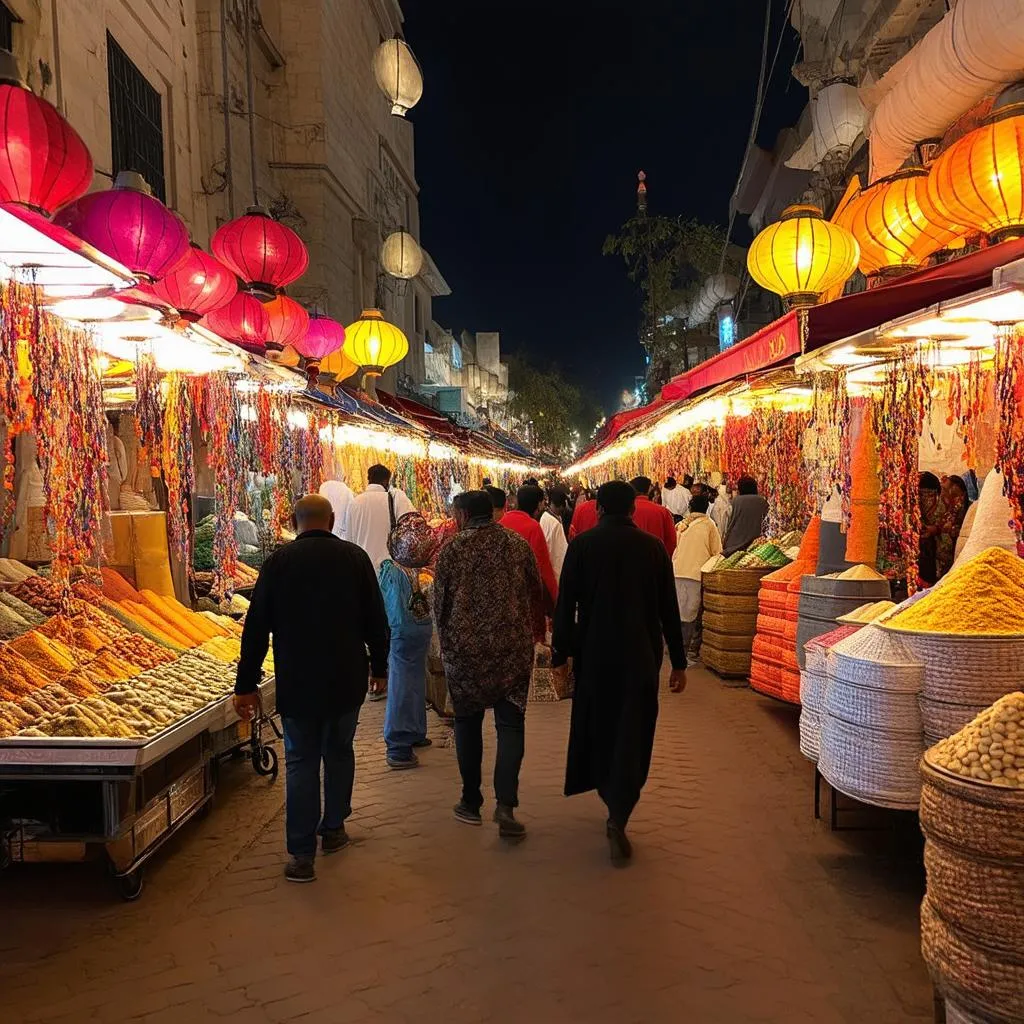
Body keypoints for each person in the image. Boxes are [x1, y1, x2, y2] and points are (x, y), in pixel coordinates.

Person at [234, 494, 389, 883]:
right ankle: (334, 829)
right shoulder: (355, 559)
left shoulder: (278, 564)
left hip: (298, 682)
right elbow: (377, 619)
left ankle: (302, 855)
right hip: (346, 679)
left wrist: (246, 684)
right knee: (338, 752)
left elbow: (256, 630)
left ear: (293, 520)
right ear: (333, 519)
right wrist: (381, 666)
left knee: (301, 762)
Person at [551, 480, 687, 865]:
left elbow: (566, 607)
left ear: (597, 511)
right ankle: (619, 809)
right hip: (641, 657)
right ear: (632, 510)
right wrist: (678, 661)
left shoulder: (582, 547)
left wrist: (560, 653)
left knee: (601, 727)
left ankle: (610, 795)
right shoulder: (653, 549)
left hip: (595, 657)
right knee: (634, 732)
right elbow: (668, 610)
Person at [434, 490, 545, 838]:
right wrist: (536, 632)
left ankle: (470, 801)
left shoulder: (452, 549)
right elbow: (535, 592)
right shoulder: (516, 545)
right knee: (510, 725)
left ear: (463, 515)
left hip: (466, 653)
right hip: (511, 649)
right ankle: (506, 805)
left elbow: (440, 604)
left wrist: (445, 645)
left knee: (467, 723)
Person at [379, 513, 439, 770]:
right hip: (416, 632)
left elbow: (389, 610)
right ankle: (406, 737)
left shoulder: (391, 571)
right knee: (410, 681)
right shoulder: (424, 573)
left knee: (405, 682)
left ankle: (404, 740)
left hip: (403, 634)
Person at [672, 493, 721, 650]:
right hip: (696, 574)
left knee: (678, 610)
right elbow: (717, 552)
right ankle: (687, 649)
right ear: (707, 508)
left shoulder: (681, 525)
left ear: (690, 508)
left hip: (677, 571)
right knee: (691, 614)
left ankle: (675, 646)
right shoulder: (709, 525)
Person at [344, 464, 415, 574]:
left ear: (368, 479)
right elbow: (412, 530)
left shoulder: (354, 503)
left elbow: (349, 540)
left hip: (362, 570)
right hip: (389, 573)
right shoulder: (395, 499)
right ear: (386, 481)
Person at [502, 484, 559, 610]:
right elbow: (542, 566)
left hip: (503, 593)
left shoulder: (502, 521)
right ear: (538, 505)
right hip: (525, 596)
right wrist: (555, 599)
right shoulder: (533, 527)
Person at [919, 471, 959, 585]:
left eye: (930, 495)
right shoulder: (909, 507)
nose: (925, 499)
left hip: (937, 561)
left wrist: (936, 529)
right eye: (921, 495)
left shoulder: (944, 508)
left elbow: (951, 528)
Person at [629, 476, 677, 555]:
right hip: (656, 559)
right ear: (649, 489)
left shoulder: (624, 510)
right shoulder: (662, 511)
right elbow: (671, 542)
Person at [722, 476, 768, 556]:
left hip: (733, 548)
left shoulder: (735, 502)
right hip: (757, 548)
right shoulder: (763, 502)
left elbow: (726, 524)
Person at [539, 490, 569, 580]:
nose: (562, 510)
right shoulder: (553, 522)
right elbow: (560, 552)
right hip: (555, 566)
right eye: (560, 507)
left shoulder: (548, 516)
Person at [319, 472, 355, 540]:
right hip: (342, 533)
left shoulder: (324, 487)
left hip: (324, 531)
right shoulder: (347, 491)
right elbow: (350, 513)